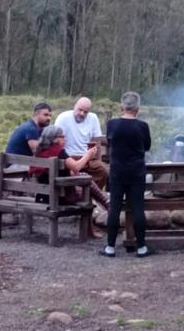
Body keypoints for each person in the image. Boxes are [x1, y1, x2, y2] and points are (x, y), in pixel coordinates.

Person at [28, 125, 109, 237]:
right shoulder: (59, 151)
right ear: (55, 139)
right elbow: (76, 166)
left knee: (84, 177)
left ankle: (106, 204)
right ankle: (105, 207)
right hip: (59, 197)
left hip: (44, 195)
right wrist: (88, 155)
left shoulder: (40, 151)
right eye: (63, 137)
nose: (65, 139)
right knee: (87, 191)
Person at [100, 91, 152, 258]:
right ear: (138, 109)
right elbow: (147, 146)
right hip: (137, 171)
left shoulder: (112, 124)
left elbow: (109, 142)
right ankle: (142, 247)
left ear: (121, 107)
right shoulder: (142, 126)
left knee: (114, 208)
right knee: (138, 207)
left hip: (117, 172)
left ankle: (110, 247)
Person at [54, 97, 109, 190]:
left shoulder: (93, 118)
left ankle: (90, 196)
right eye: (80, 110)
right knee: (69, 174)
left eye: (85, 112)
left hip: (87, 157)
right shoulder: (63, 118)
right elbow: (56, 142)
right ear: (74, 106)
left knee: (103, 171)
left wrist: (97, 160)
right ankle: (76, 196)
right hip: (69, 157)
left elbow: (97, 142)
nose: (82, 113)